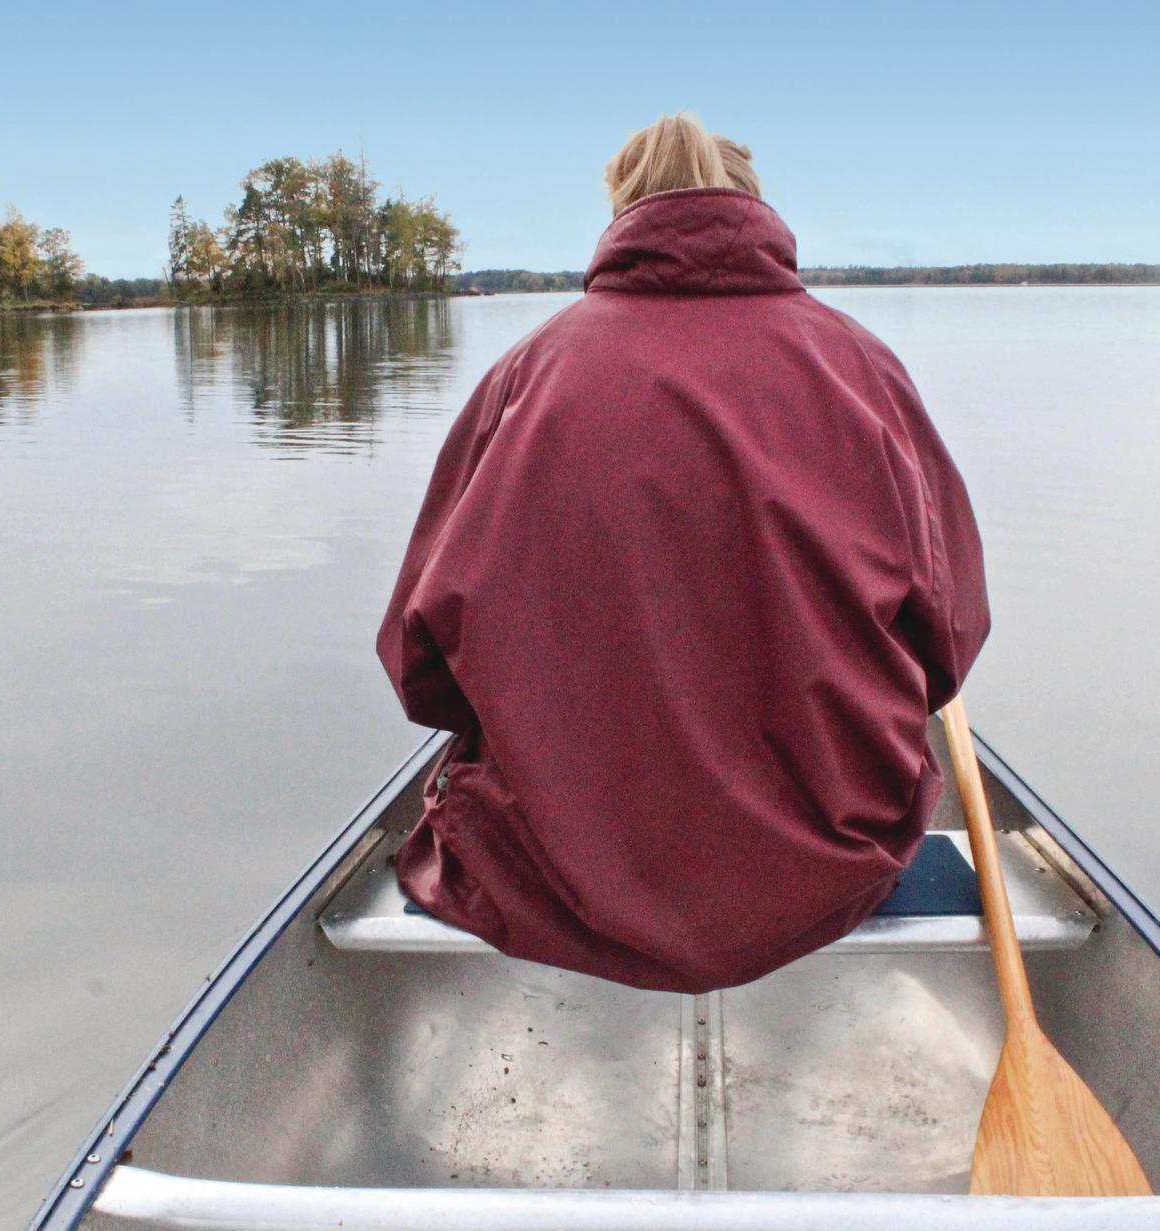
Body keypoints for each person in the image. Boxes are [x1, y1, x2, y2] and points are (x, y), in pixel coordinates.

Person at [377, 113, 989, 993]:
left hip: (546, 874)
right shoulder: (863, 368)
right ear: (754, 206)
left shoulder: (527, 375)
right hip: (833, 862)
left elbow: (420, 672)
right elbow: (950, 645)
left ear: (623, 211)